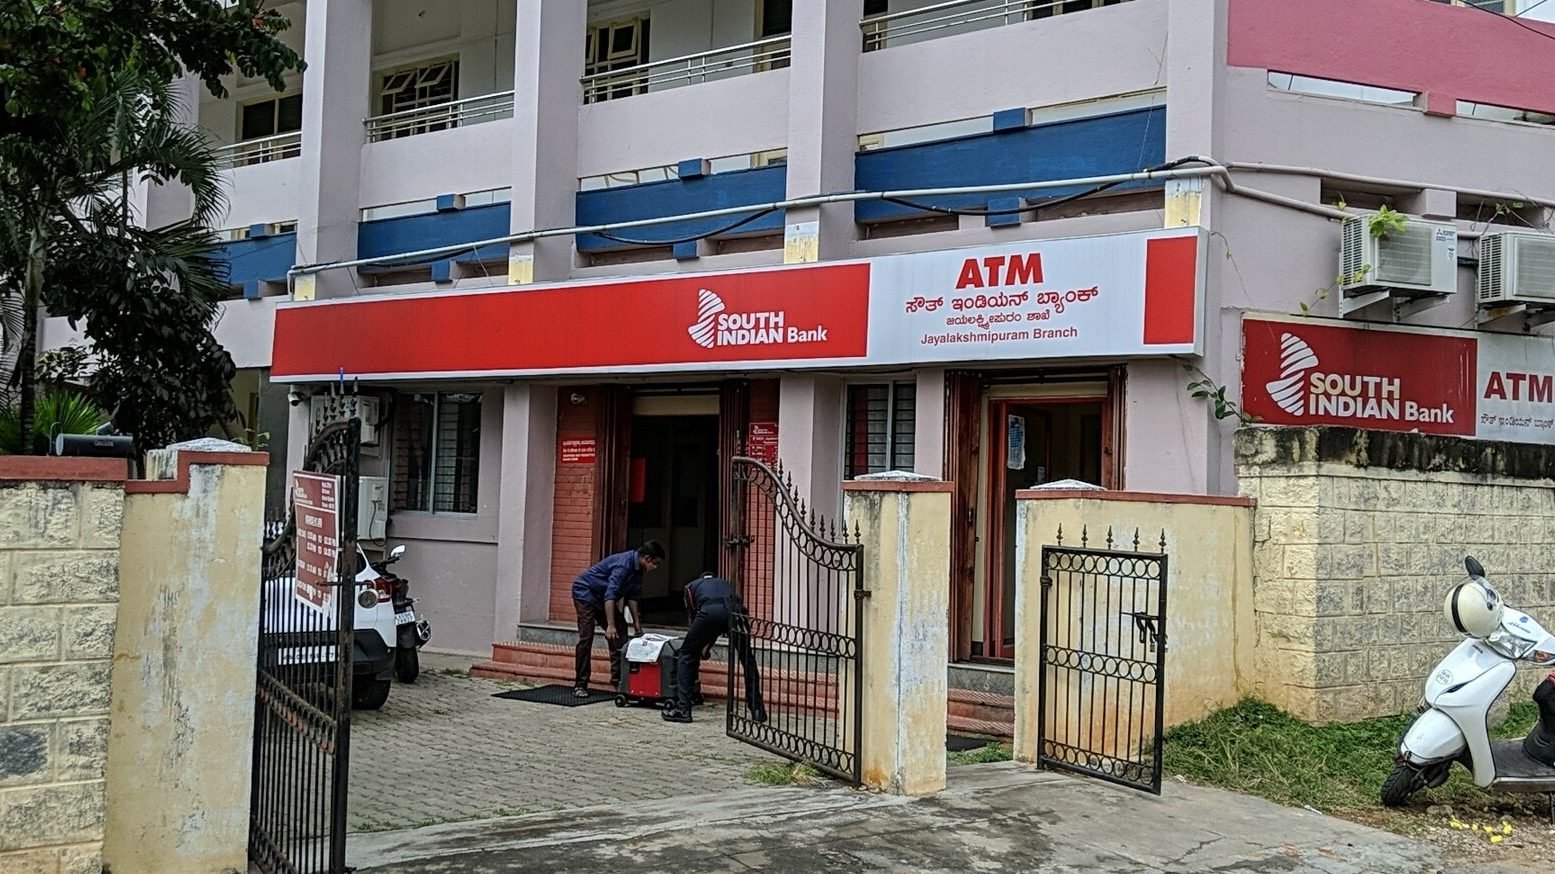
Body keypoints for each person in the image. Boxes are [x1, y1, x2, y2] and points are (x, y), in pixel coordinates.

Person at [662, 572, 766, 724]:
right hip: (736, 611)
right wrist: (706, 646)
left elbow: (697, 619)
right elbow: (723, 619)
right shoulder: (725, 584)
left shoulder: (690, 587)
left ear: (701, 578)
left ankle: (683, 709)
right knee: (747, 658)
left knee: (686, 654)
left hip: (710, 612)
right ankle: (757, 710)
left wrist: (700, 647)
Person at [572, 540, 665, 698]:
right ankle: (580, 684)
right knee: (586, 637)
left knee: (620, 635)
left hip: (604, 597)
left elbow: (633, 597)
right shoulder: (623, 565)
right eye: (655, 564)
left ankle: (618, 681)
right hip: (586, 593)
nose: (654, 568)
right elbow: (610, 595)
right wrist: (610, 625)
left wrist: (637, 625)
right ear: (647, 559)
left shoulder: (638, 570)